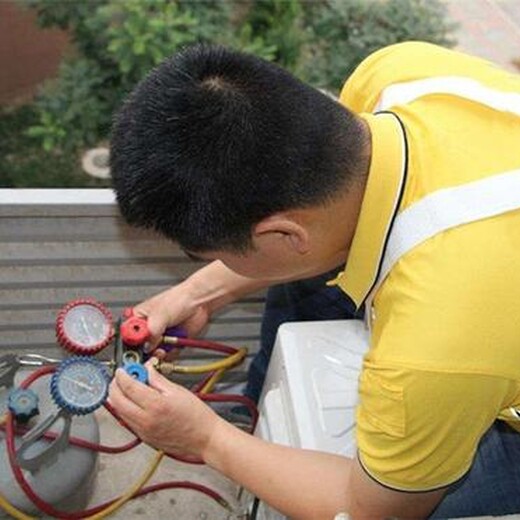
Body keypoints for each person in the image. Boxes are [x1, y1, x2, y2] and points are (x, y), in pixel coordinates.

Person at [108, 41, 520, 519]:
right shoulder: (399, 74)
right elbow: (320, 207)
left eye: (219, 258)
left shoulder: (428, 359)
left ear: (283, 233)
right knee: (311, 270)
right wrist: (197, 294)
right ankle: (254, 411)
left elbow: (371, 511)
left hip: (470, 348)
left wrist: (207, 438)